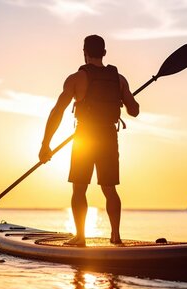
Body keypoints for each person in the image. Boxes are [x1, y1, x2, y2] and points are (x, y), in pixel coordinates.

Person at [39, 35, 140, 247]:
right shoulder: (119, 79)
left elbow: (57, 111)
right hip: (108, 138)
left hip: (84, 137)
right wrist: (121, 97)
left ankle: (80, 237)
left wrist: (45, 144)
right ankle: (116, 236)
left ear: (84, 52)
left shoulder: (76, 79)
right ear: (104, 53)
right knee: (110, 189)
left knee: (79, 188)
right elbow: (134, 110)